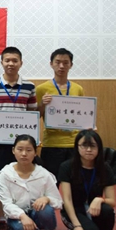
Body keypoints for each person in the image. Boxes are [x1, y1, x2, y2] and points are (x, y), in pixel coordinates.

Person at [0, 46, 37, 230]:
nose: (11, 64)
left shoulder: (29, 86)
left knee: (24, 179)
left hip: (22, 145)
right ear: (2, 62)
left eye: (15, 60)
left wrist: (33, 139)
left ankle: (23, 217)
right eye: (7, 60)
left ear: (21, 63)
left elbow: (32, 113)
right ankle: (3, 220)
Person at [0, 135, 62, 230]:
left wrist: (46, 198)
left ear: (35, 152)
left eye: (29, 150)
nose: (24, 154)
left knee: (46, 210)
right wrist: (22, 216)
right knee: (21, 229)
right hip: (17, 216)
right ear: (13, 150)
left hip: (36, 213)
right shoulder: (5, 174)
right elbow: (6, 204)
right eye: (20, 149)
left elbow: (58, 201)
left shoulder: (43, 174)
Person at [59, 130, 116, 230]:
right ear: (77, 147)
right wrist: (77, 225)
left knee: (108, 211)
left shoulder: (105, 168)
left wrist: (99, 199)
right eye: (84, 145)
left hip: (94, 208)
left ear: (99, 148)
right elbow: (67, 200)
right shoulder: (67, 167)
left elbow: (112, 201)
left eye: (93, 146)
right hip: (74, 208)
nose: (89, 150)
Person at [36, 48, 85, 179]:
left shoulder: (78, 89)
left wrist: (89, 125)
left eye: (65, 62)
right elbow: (35, 117)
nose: (61, 66)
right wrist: (42, 104)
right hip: (52, 143)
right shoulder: (41, 89)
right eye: (57, 62)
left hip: (74, 143)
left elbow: (82, 115)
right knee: (51, 181)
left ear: (71, 65)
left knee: (75, 180)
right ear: (51, 64)